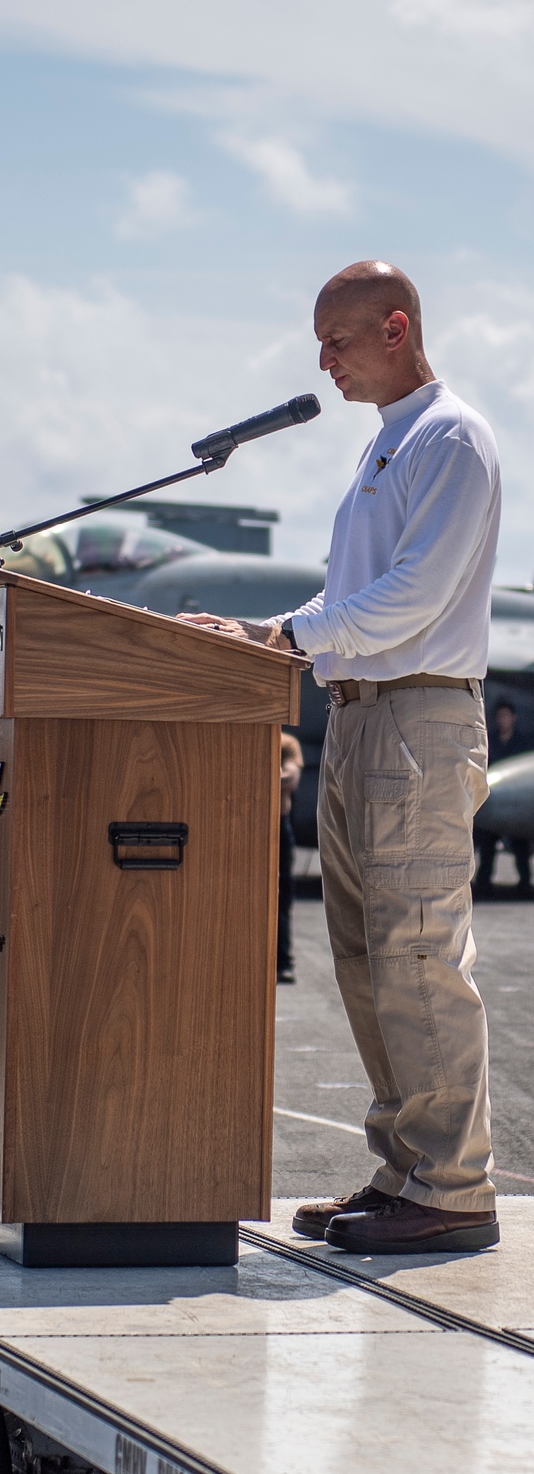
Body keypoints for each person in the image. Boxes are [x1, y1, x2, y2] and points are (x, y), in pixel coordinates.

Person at [179, 261, 500, 1255]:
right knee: (364, 961)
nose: (324, 362)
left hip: (415, 718)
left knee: (414, 956)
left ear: (396, 328)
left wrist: (281, 638)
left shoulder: (449, 438)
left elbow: (413, 598)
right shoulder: (383, 448)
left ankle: (451, 1186)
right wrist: (269, 635)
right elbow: (350, 609)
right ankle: (407, 1167)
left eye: (340, 341)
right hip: (358, 717)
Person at [473, 701, 532, 898]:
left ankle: (525, 884)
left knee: (520, 850)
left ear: (513, 718)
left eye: (507, 716)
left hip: (514, 807)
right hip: (490, 804)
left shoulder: (522, 743)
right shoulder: (489, 742)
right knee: (487, 849)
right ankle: (483, 885)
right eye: (500, 716)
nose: (503, 720)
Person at [277, 732, 303, 985]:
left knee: (283, 895)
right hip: (247, 820)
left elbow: (291, 778)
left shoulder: (286, 743)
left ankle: (283, 962)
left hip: (278, 823)